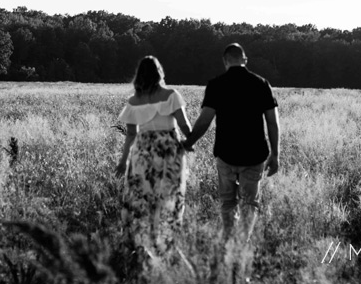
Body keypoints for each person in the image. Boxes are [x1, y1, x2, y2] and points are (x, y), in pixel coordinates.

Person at [183, 43, 280, 242]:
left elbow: (204, 120)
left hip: (226, 154)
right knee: (250, 203)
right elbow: (272, 122)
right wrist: (275, 154)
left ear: (225, 61)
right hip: (255, 154)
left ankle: (228, 238)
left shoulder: (216, 84)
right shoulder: (262, 84)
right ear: (245, 60)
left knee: (228, 202)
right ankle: (242, 242)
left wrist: (188, 142)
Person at [116, 55, 193, 261]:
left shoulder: (133, 101)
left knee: (141, 197)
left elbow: (131, 134)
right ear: (160, 72)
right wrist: (190, 142)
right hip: (168, 150)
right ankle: (166, 245)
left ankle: (141, 244)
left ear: (139, 76)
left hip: (142, 152)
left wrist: (123, 161)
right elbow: (184, 125)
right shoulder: (171, 95)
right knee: (170, 195)